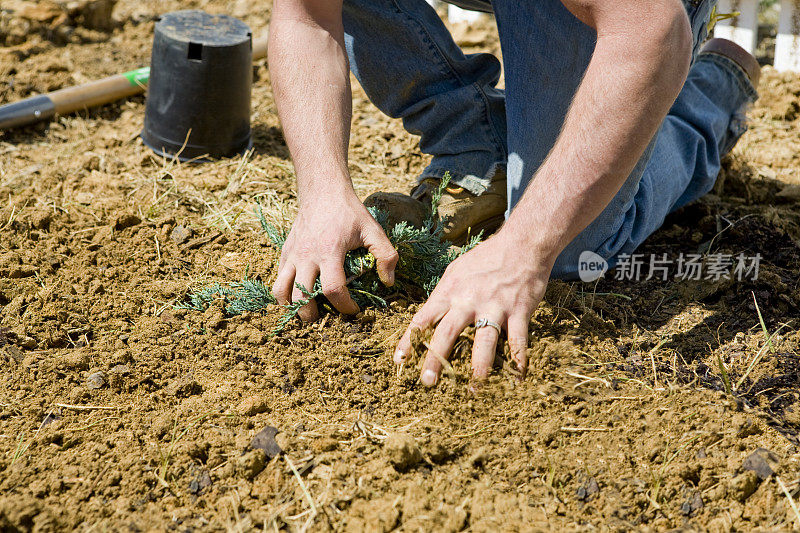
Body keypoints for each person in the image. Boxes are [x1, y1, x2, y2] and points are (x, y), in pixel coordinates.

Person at [267, 0, 760, 387]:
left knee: (572, 247)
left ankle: (710, 99)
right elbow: (305, 14)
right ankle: (477, 147)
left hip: (643, 15)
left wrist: (523, 248)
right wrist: (323, 190)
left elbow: (652, 30)